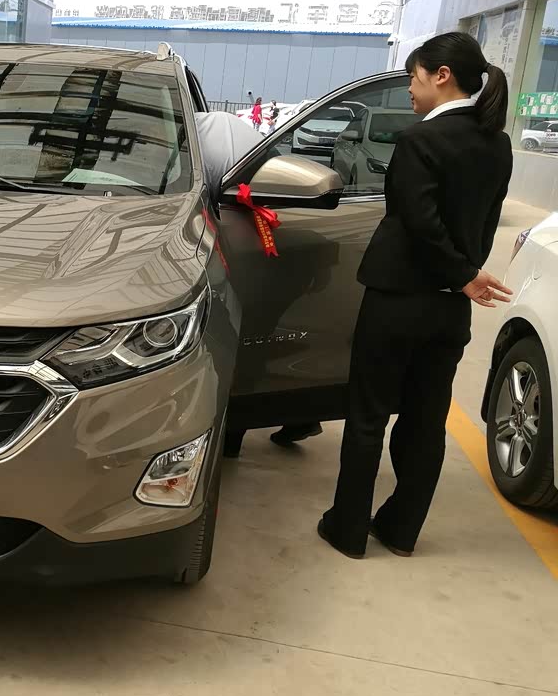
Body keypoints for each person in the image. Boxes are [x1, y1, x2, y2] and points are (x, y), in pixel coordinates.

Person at [318, 32, 513, 559]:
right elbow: (484, 225)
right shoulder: (497, 144)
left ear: (441, 76)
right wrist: (464, 274)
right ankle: (401, 530)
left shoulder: (419, 140)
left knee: (368, 417)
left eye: (413, 76)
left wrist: (462, 274)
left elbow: (418, 223)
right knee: (427, 421)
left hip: (397, 299)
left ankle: (348, 530)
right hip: (450, 309)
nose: (409, 87)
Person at [193, 111, 331, 454]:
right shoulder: (219, 131)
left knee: (243, 341)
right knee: (256, 338)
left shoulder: (201, 148)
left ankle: (232, 440)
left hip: (268, 251)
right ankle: (300, 415)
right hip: (282, 247)